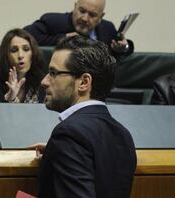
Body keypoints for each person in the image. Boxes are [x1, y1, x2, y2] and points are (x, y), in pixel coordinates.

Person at [35, 36, 137, 198]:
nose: (44, 81)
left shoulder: (69, 134)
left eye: (53, 73)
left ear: (84, 82)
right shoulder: (123, 134)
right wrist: (58, 152)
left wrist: (65, 146)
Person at [24, 0, 134, 58]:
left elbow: (125, 49)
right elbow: (24, 36)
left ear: (101, 17)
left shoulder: (107, 28)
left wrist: (123, 47)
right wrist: (62, 39)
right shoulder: (53, 21)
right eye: (82, 11)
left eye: (92, 15)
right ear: (75, 6)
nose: (85, 18)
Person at [0, 28, 46, 103]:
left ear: (33, 53)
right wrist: (10, 99)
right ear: (6, 56)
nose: (20, 55)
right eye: (14, 50)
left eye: (26, 49)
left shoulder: (44, 82)